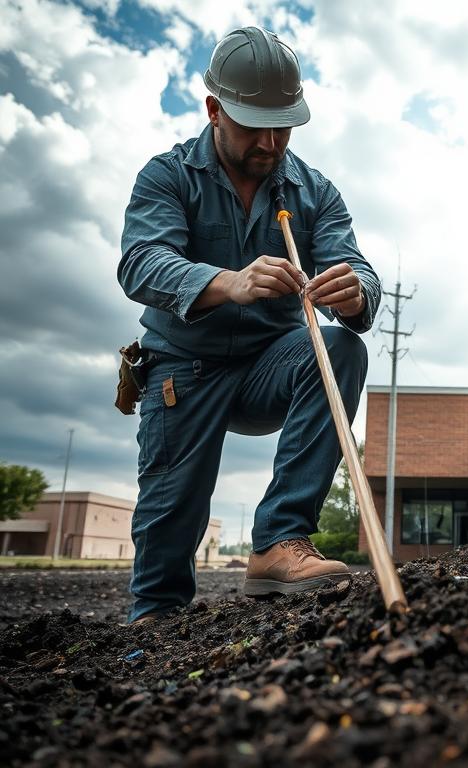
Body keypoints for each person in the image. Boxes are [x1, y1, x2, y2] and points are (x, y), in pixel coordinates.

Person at [118, 26, 380, 624]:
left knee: (340, 347)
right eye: (253, 125)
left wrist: (356, 293)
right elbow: (140, 262)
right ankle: (151, 627)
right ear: (215, 110)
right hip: (183, 369)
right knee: (168, 537)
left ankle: (279, 542)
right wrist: (228, 282)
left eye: (282, 125)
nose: (269, 142)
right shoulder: (166, 176)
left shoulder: (315, 192)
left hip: (271, 366)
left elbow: (358, 268)